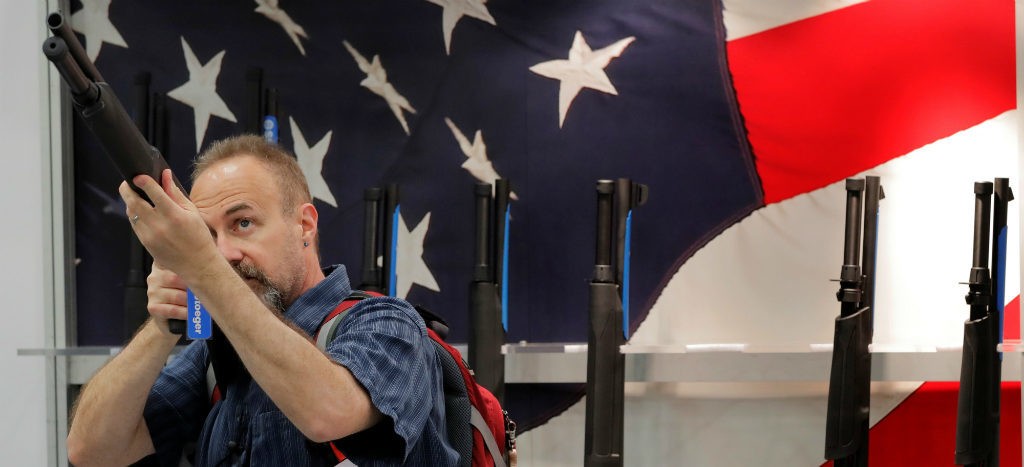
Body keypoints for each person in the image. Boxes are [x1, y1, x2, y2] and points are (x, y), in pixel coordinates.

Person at [66, 135, 457, 466]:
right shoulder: (212, 357)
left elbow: (328, 414)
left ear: (305, 225)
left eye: (243, 223)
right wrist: (165, 322)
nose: (224, 253)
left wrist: (201, 268)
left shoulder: (388, 323)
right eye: (207, 236)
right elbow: (93, 453)